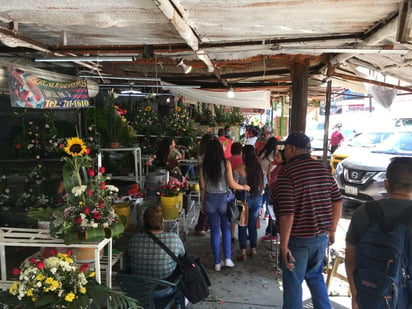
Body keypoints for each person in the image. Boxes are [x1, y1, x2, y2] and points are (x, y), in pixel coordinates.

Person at [273, 132, 343, 309]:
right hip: (321, 237)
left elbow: (287, 214)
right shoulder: (322, 169)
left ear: (291, 149)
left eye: (285, 149)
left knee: (293, 284)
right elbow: (338, 200)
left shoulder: (287, 173)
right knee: (315, 277)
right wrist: (332, 230)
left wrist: (283, 246)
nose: (284, 152)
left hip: (298, 240)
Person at [345, 157, 412, 309]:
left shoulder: (364, 212)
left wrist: (356, 294)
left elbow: (350, 260)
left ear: (387, 184)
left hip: (370, 297)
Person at [199, 138, 250, 271]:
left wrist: (202, 203)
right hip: (224, 200)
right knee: (226, 229)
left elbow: (203, 187)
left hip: (210, 199)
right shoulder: (226, 163)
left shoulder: (204, 165)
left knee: (215, 232)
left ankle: (217, 262)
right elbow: (232, 184)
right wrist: (244, 187)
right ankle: (227, 259)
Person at [128, 205, 185, 280]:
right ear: (162, 220)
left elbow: (129, 257)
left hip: (138, 285)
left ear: (144, 222)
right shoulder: (173, 238)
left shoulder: (134, 239)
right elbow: (183, 254)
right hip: (165, 285)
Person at [233, 145, 264, 260]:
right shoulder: (259, 168)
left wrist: (242, 186)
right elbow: (263, 185)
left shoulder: (239, 168)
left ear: (244, 155)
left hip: (243, 198)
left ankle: (243, 252)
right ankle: (253, 249)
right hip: (256, 198)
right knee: (252, 224)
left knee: (242, 225)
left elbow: (235, 186)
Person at [262, 149, 284, 242]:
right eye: (275, 156)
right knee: (272, 214)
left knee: (273, 215)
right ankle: (270, 232)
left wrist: (269, 168)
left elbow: (270, 180)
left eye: (278, 157)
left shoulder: (281, 168)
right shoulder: (278, 166)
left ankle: (273, 234)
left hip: (276, 196)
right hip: (273, 195)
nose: (275, 158)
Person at [194, 133, 212, 236]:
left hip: (203, 178)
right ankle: (201, 226)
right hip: (206, 179)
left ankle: (205, 225)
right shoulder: (207, 154)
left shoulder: (201, 152)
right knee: (205, 202)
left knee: (206, 202)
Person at [228, 142, 244, 241]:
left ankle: (230, 234)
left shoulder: (227, 160)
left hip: (227, 189)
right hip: (238, 188)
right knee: (235, 213)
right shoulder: (241, 161)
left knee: (229, 212)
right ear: (241, 151)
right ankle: (232, 234)